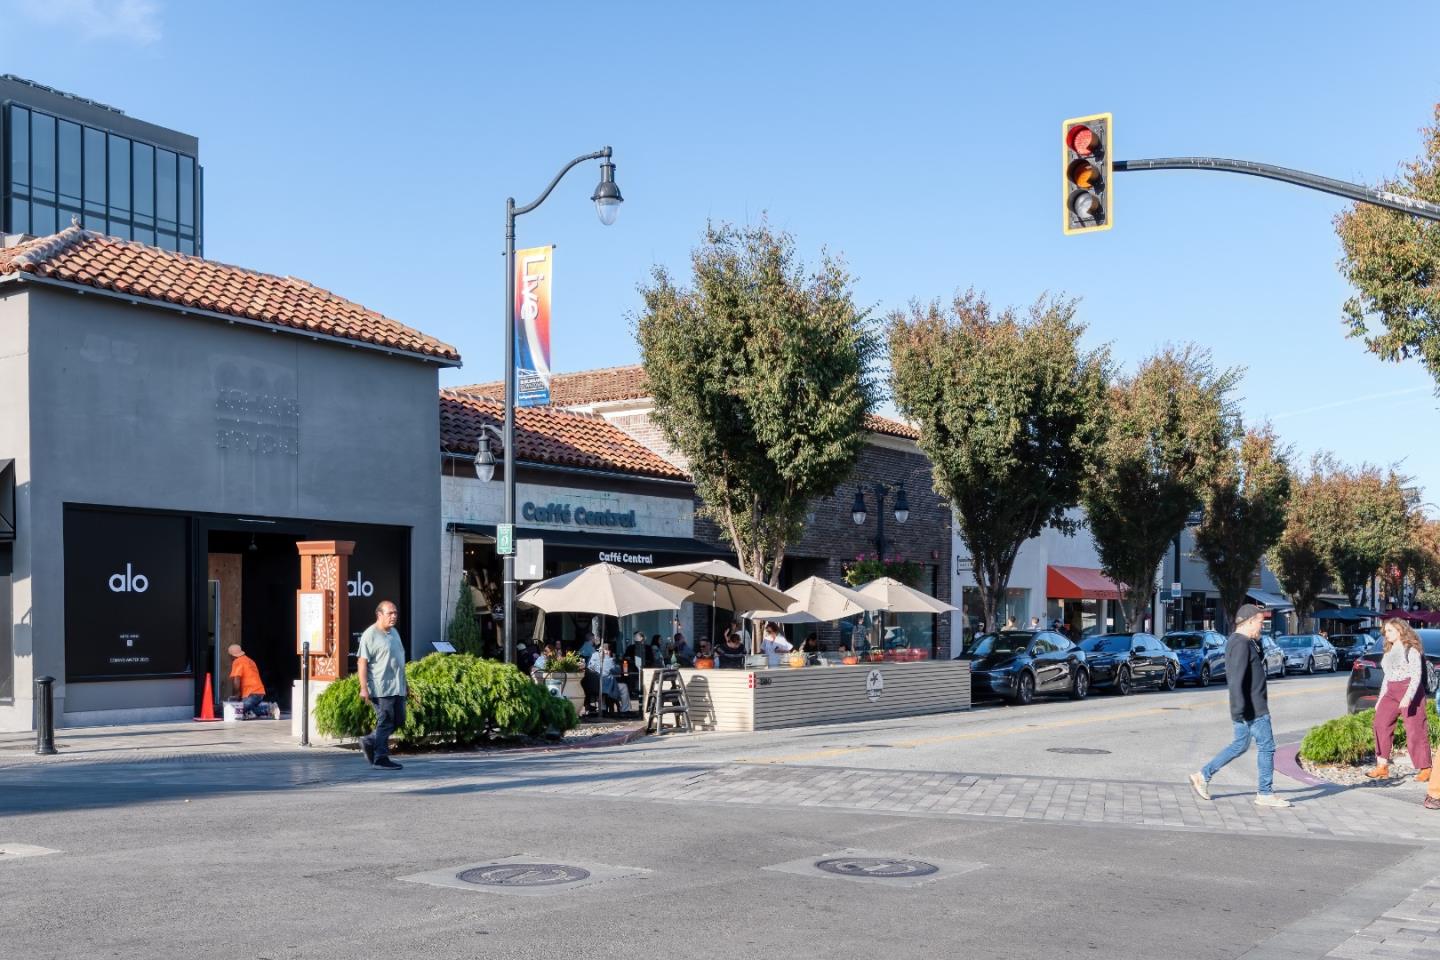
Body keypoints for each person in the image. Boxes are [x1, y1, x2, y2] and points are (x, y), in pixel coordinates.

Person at [1189, 604, 1289, 807]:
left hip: (1248, 706)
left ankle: (1203, 775)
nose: (1262, 626)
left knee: (1240, 745)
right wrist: (1240, 709)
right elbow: (1236, 678)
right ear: (1250, 621)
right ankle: (1265, 793)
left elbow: (1252, 666)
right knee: (1267, 747)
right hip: (1252, 708)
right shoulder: (1240, 644)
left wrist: (1259, 644)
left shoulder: (1244, 642)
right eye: (1261, 622)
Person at [1367, 619, 1431, 782]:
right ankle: (1382, 766)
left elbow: (1416, 675)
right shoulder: (1389, 650)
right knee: (1380, 724)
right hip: (1391, 691)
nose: (1386, 634)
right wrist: (1380, 698)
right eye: (1386, 631)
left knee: (1415, 729)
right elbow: (1387, 676)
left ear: (1400, 631)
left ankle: (1425, 768)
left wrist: (1407, 697)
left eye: (1390, 631)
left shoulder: (1411, 649)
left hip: (1410, 690)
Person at [358, 600, 408, 771]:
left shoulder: (394, 633)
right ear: (379, 615)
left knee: (399, 719)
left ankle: (370, 740)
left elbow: (399, 660)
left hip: (398, 686)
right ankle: (381, 757)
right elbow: (362, 662)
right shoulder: (369, 635)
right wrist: (363, 687)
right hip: (380, 687)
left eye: (395, 613)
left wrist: (405, 683)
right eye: (390, 613)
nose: (394, 616)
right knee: (385, 720)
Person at [227, 643, 278, 720]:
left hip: (251, 693)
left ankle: (269, 708)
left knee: (236, 711)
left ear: (232, 655)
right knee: (248, 708)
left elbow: (236, 679)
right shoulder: (250, 660)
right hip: (259, 692)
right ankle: (254, 711)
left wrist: (236, 695)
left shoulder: (237, 662)